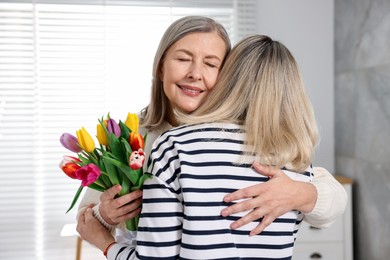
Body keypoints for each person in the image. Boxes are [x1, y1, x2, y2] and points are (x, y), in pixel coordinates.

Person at [77, 16, 346, 242]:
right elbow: (84, 222)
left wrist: (301, 192)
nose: (195, 73)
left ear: (226, 76)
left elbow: (332, 203)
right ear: (161, 68)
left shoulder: (243, 136)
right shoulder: (130, 136)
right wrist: (105, 214)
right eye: (183, 59)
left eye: (211, 64)